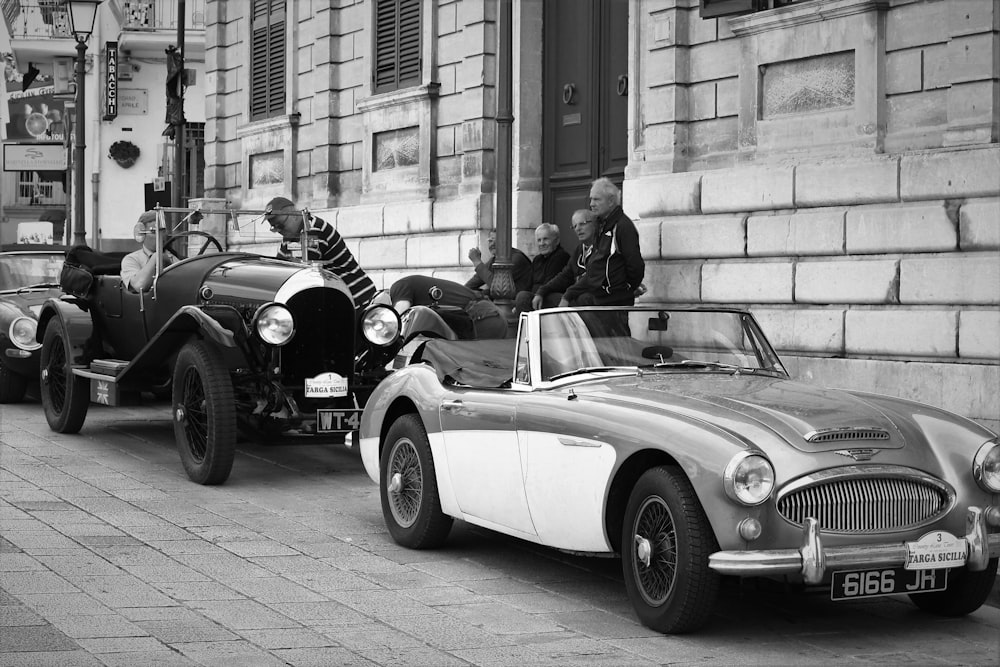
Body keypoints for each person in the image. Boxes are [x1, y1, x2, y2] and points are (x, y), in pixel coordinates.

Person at [265, 196, 376, 311]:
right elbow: (280, 267)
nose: (278, 231)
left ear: (293, 215)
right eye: (273, 227)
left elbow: (304, 273)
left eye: (279, 225)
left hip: (355, 297)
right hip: (337, 296)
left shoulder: (312, 231)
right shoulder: (290, 234)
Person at [532, 209, 624, 308]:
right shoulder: (579, 250)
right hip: (577, 297)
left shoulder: (603, 246)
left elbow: (591, 277)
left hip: (602, 299)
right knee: (543, 297)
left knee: (584, 298)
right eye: (575, 226)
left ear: (595, 224)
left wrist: (567, 296)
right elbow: (565, 275)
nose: (578, 229)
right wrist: (542, 291)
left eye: (582, 224)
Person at [584, 177, 645, 305]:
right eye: (591, 199)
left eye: (596, 199)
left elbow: (635, 265)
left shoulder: (623, 226)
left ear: (611, 201)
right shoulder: (600, 225)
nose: (591, 204)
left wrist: (627, 289)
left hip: (615, 301)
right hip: (597, 298)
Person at [389, 274, 507, 339]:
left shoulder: (398, 287)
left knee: (475, 366)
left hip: (481, 315)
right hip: (489, 314)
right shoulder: (409, 284)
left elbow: (397, 318)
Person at [513, 222, 571, 314]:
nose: (542, 243)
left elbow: (550, 284)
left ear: (557, 241)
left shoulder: (561, 256)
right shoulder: (537, 259)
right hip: (537, 297)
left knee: (523, 297)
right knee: (521, 296)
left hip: (551, 297)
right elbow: (529, 284)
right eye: (539, 240)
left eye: (545, 239)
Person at [120, 210, 177, 292]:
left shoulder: (173, 255)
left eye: (163, 231)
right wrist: (155, 258)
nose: (161, 235)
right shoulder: (131, 259)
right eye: (154, 232)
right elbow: (139, 285)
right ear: (141, 234)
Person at [465, 230, 532, 299]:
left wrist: (477, 262)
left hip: (515, 303)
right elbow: (469, 286)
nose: (492, 244)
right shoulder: (493, 260)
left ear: (507, 242)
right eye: (490, 241)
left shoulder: (516, 258)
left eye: (497, 241)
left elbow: (498, 287)